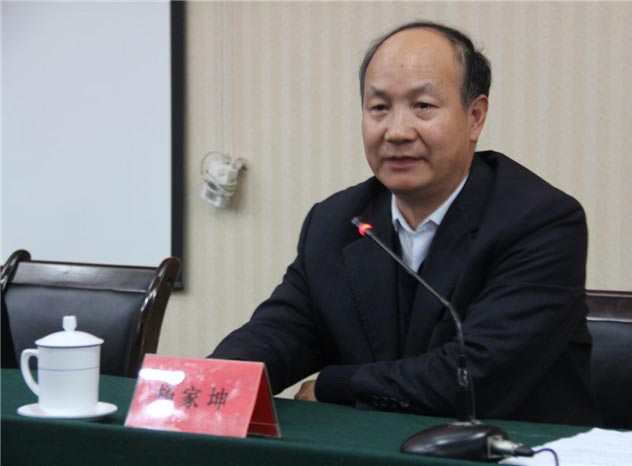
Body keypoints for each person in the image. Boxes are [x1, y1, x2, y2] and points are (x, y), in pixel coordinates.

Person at [210, 20, 601, 426]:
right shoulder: (336, 221)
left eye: (423, 106)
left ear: (475, 117)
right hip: (372, 448)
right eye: (379, 108)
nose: (396, 132)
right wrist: (208, 382)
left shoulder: (540, 221)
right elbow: (281, 332)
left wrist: (333, 386)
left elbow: (476, 375)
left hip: (513, 448)